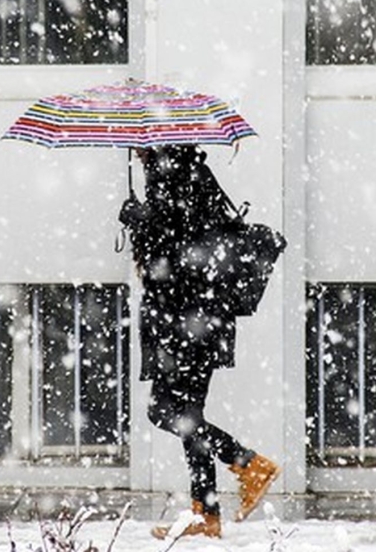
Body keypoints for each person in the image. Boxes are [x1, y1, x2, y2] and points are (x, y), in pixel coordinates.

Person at [119, 144, 279, 540]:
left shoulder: (172, 175)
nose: (135, 148)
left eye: (141, 142)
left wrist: (140, 220)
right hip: (196, 316)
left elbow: (180, 249)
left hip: (188, 319)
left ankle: (248, 464)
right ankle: (205, 514)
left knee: (164, 410)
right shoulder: (185, 172)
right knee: (188, 412)